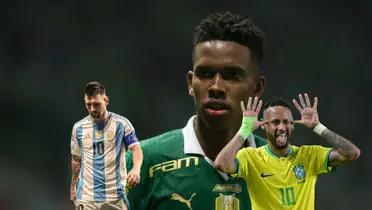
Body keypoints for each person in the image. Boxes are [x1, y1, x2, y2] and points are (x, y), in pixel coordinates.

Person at [125, 11, 267, 209]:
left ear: (257, 88)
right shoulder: (142, 164)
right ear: (191, 83)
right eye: (206, 74)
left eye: (232, 75)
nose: (216, 87)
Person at [214, 94, 361, 210]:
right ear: (263, 126)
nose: (282, 127)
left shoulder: (309, 156)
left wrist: (318, 127)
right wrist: (244, 130)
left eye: (287, 122)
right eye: (275, 122)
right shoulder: (250, 157)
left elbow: (352, 153)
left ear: (293, 125)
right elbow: (221, 164)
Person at [70, 81, 143, 210]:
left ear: (106, 100)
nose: (92, 109)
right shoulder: (78, 128)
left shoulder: (122, 124)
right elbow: (76, 159)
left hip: (115, 197)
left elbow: (136, 149)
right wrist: (73, 187)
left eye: (96, 104)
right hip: (87, 197)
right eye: (89, 105)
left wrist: (136, 169)